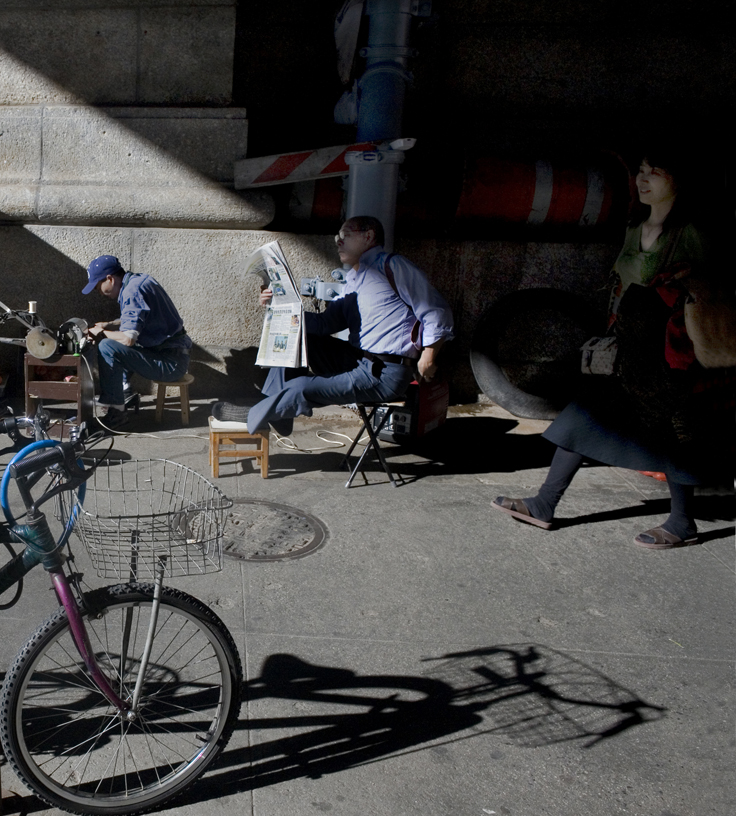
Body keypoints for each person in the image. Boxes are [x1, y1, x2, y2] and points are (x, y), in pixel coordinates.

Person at [491, 147, 733, 549]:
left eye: (655, 171)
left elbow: (717, 295)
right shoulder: (635, 228)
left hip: (672, 355)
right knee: (585, 416)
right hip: (629, 349)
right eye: (641, 170)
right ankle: (545, 503)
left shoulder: (693, 233)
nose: (643, 178)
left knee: (676, 434)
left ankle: (682, 522)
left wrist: (685, 284)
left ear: (678, 181)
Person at [214, 215, 454, 436]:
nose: (338, 241)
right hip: (356, 359)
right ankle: (275, 412)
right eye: (337, 237)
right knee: (298, 337)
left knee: (301, 387)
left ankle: (259, 413)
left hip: (384, 373)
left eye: (345, 235)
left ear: (368, 236)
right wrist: (277, 305)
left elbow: (437, 310)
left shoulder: (393, 266)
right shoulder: (354, 279)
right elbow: (325, 324)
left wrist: (429, 355)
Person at [82, 255, 191, 427]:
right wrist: (109, 324)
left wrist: (101, 332)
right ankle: (125, 393)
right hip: (172, 355)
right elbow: (138, 318)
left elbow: (128, 339)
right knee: (114, 343)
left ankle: (116, 412)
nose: (99, 292)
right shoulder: (137, 281)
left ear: (110, 279)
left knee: (107, 347)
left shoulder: (132, 292)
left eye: (97, 287)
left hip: (171, 364)